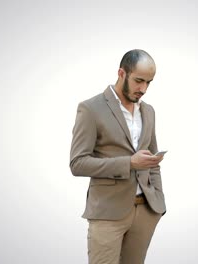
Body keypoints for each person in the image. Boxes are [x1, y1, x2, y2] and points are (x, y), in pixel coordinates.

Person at [70, 49, 166, 264]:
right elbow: (77, 163)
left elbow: (153, 163)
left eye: (149, 82)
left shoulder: (148, 111)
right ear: (121, 73)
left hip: (145, 211)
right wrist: (129, 163)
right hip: (107, 213)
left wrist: (159, 202)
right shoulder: (90, 109)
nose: (143, 89)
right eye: (138, 80)